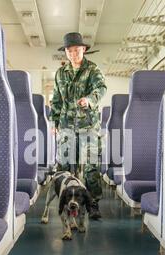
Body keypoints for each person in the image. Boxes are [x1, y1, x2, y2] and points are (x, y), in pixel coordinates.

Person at [50, 32, 107, 220]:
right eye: (69, 50)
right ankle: (66, 202)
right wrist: (54, 122)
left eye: (76, 50)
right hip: (67, 125)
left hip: (88, 126)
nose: (73, 53)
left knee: (91, 167)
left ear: (83, 49)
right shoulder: (61, 73)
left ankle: (93, 204)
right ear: (66, 52)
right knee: (65, 166)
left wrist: (90, 100)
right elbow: (56, 100)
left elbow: (101, 89)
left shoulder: (93, 70)